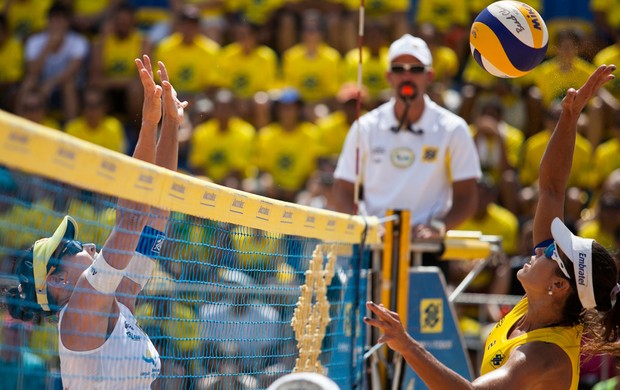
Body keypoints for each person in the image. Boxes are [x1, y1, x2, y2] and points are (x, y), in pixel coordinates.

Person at [364, 65, 620, 389]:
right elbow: (552, 187)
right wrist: (569, 117)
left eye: (553, 253)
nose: (541, 248)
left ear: (558, 286)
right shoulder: (544, 303)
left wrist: (406, 344)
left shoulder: (543, 356)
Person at [6, 54, 188, 388]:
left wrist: (171, 124)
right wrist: (148, 124)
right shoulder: (78, 313)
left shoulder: (117, 302)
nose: (88, 245)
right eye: (73, 247)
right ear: (57, 280)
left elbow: (157, 212)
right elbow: (132, 219)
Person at [332, 33, 481, 241]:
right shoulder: (365, 127)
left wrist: (438, 227)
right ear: (388, 76)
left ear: (430, 76)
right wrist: (366, 226)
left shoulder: (453, 129)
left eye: (416, 69)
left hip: (427, 247)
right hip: (374, 245)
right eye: (398, 69)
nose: (407, 76)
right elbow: (342, 191)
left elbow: (467, 197)